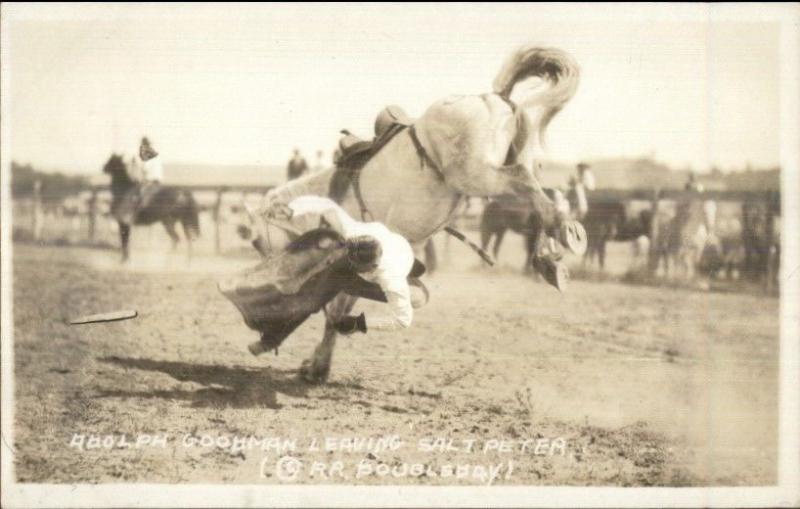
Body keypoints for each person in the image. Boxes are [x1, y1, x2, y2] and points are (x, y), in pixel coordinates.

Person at [247, 195, 415, 356]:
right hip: (377, 251)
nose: (349, 264)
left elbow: (403, 320)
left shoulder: (390, 277)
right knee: (311, 299)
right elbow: (326, 206)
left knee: (417, 299)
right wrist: (292, 210)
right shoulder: (353, 233)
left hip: (383, 273)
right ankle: (271, 340)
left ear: (371, 267)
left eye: (355, 265)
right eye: (349, 254)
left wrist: (360, 323)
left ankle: (414, 282)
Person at [137, 137, 164, 208]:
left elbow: (145, 169)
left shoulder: (148, 155)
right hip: (158, 181)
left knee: (140, 197)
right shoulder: (156, 155)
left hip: (150, 182)